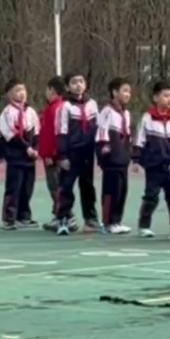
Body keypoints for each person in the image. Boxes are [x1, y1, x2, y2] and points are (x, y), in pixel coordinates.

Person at [55, 71, 99, 236]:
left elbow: (98, 127)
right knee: (66, 186)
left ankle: (90, 219)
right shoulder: (65, 106)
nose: (78, 85)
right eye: (74, 82)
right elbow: (61, 132)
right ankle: (62, 219)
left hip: (87, 152)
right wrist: (62, 155)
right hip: (72, 152)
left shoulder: (92, 104)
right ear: (67, 87)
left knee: (87, 186)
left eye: (81, 81)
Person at [135, 80, 170, 239]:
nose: (169, 99)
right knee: (151, 196)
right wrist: (136, 160)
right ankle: (144, 226)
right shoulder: (147, 118)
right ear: (155, 98)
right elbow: (139, 140)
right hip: (154, 166)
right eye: (165, 96)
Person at [0, 79, 40, 230]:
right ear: (9, 94)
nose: (22, 93)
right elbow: (10, 135)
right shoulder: (7, 113)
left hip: (30, 158)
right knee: (14, 187)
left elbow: (37, 132)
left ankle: (24, 216)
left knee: (27, 187)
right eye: (17, 90)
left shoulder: (31, 111)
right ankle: (9, 218)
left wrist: (35, 148)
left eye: (23, 90)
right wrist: (26, 148)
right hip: (15, 156)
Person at [38, 75, 77, 232]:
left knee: (56, 187)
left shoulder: (54, 109)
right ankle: (60, 214)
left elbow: (53, 135)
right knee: (58, 186)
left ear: (52, 90)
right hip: (56, 154)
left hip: (53, 156)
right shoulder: (57, 107)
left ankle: (66, 216)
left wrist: (50, 154)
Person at [96, 77, 132, 234]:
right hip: (111, 160)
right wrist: (104, 156)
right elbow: (101, 134)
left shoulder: (126, 113)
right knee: (111, 191)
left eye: (129, 91)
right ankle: (107, 222)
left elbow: (127, 136)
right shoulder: (107, 111)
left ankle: (117, 221)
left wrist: (129, 155)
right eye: (124, 91)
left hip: (122, 160)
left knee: (122, 191)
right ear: (115, 92)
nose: (128, 94)